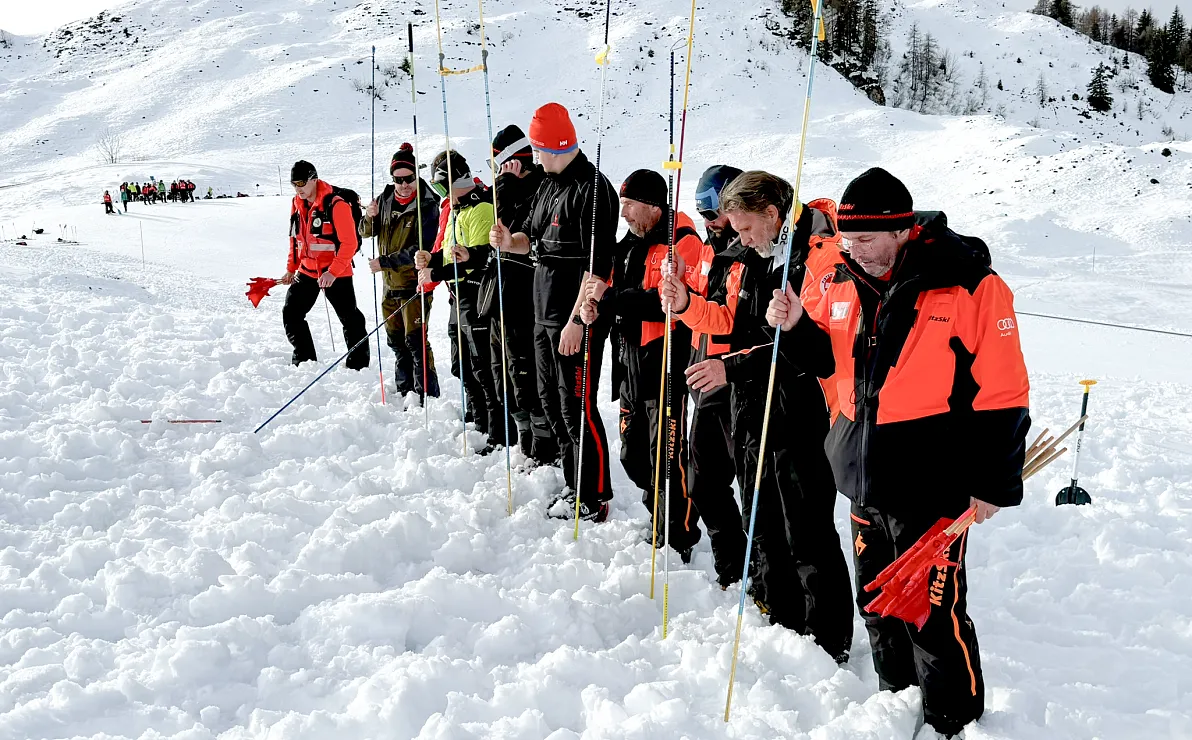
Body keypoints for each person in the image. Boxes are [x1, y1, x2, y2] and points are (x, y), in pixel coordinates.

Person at [765, 168, 1031, 737]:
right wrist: (795, 329)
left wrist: (994, 483)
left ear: (901, 230)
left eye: (865, 240)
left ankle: (953, 722)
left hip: (934, 483)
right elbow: (829, 362)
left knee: (933, 615)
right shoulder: (841, 278)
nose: (853, 250)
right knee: (878, 603)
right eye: (846, 239)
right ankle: (895, 703)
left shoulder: (969, 285)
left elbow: (1004, 392)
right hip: (863, 476)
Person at [664, 170, 854, 659]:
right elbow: (728, 321)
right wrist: (686, 304)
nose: (738, 236)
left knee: (807, 527)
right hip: (750, 406)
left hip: (801, 408)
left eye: (746, 227)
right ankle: (778, 611)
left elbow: (803, 348)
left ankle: (828, 637)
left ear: (772, 215)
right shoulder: (747, 259)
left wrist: (730, 368)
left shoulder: (816, 259)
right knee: (760, 516)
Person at [489, 102, 618, 522]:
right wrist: (509, 242)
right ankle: (572, 483)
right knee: (552, 402)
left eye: (540, 151)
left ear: (558, 146)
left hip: (575, 319)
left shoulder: (594, 190)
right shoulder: (547, 184)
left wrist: (578, 320)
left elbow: (598, 267)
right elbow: (531, 238)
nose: (535, 159)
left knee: (577, 405)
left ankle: (594, 495)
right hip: (542, 313)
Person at [579, 169, 705, 558]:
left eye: (631, 207)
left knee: (667, 457)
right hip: (629, 366)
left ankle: (679, 536)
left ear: (653, 206)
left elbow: (664, 304)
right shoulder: (627, 245)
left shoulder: (681, 244)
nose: (626, 215)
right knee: (633, 456)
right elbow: (609, 293)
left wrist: (611, 297)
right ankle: (657, 514)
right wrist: (592, 307)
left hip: (664, 365)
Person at [657, 164, 749, 588]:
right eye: (704, 215)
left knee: (751, 488)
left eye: (715, 214)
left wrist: (686, 303)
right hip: (705, 377)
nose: (710, 224)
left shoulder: (751, 253)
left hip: (737, 379)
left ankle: (756, 571)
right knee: (704, 481)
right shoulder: (712, 251)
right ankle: (733, 565)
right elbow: (698, 302)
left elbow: (731, 320)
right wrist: (677, 292)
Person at [415, 150, 502, 447]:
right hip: (457, 297)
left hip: (476, 295)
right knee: (461, 363)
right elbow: (452, 252)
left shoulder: (480, 209)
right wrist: (431, 259)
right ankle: (477, 420)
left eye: (441, 187)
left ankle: (496, 431)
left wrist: (436, 272)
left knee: (482, 366)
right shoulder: (455, 210)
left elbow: (477, 259)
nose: (442, 195)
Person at [481, 124, 555, 465]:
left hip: (527, 295)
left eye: (501, 165)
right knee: (504, 373)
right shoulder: (506, 189)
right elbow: (492, 230)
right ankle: (524, 437)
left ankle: (542, 446)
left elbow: (521, 232)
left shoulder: (540, 188)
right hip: (501, 294)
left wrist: (507, 187)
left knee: (525, 371)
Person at [361, 143, 442, 401]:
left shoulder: (428, 204)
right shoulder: (384, 200)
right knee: (395, 342)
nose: (405, 184)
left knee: (416, 342)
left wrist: (385, 262)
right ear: (393, 178)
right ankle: (405, 389)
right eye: (399, 179)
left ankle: (428, 395)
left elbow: (422, 249)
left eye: (409, 179)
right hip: (389, 287)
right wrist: (368, 216)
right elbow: (365, 232)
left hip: (413, 285)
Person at [279, 160, 370, 370]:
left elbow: (350, 243)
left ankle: (358, 367)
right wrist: (291, 268)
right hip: (307, 270)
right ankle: (304, 360)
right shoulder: (296, 203)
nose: (298, 188)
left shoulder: (335, 204)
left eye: (301, 183)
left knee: (350, 319)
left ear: (314, 179)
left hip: (336, 273)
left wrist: (333, 272)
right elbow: (295, 240)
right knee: (291, 313)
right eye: (294, 184)